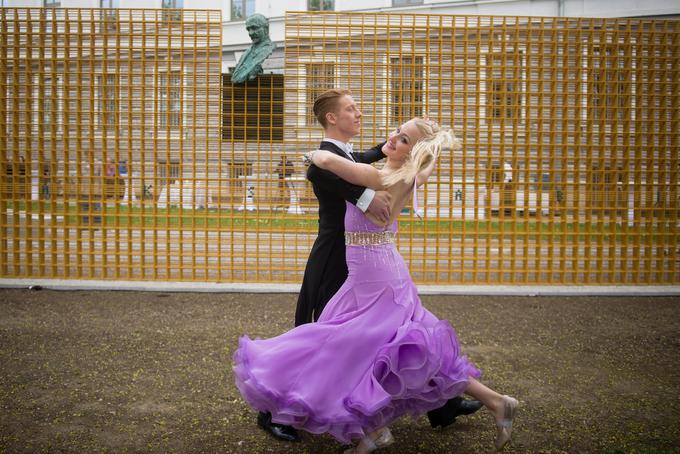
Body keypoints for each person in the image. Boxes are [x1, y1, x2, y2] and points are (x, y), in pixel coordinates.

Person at [233, 117, 519, 452]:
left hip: (376, 276)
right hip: (376, 271)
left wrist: (320, 152)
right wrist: (427, 150)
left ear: (413, 152)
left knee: (358, 346)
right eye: (396, 131)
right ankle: (495, 402)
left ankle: (373, 432)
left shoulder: (383, 176)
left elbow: (323, 160)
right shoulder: (410, 174)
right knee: (406, 351)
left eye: (403, 139)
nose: (393, 139)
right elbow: (422, 169)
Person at [230, 13, 276, 84]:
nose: (250, 33)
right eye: (248, 29)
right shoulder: (246, 53)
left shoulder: (267, 49)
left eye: (254, 28)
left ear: (266, 29)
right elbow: (235, 78)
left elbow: (238, 77)